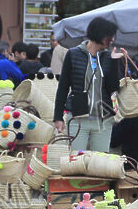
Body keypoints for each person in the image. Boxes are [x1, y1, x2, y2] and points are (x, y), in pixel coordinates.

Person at [54, 17, 127, 153]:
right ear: (99, 34)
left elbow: (113, 88)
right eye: (109, 36)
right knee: (76, 160)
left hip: (104, 118)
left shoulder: (108, 56)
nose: (111, 40)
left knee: (99, 164)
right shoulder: (73, 54)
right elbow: (63, 87)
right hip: (78, 117)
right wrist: (58, 117)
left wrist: (114, 62)